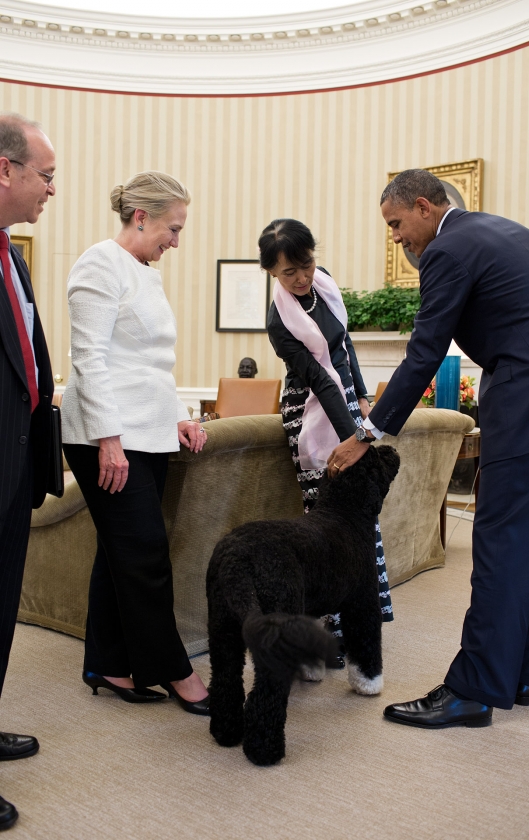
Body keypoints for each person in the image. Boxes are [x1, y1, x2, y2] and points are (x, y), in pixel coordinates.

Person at [328, 168, 529, 728]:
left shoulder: (448, 250)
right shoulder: (510, 231)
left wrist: (368, 434)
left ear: (427, 207)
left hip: (525, 393)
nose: (396, 237)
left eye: (396, 223)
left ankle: (475, 689)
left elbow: (424, 351)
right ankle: (521, 673)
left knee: (502, 542)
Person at [62, 171, 210, 717]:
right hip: (106, 434)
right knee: (145, 553)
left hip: (146, 432)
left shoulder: (144, 272)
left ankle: (110, 663)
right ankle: (176, 671)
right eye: (173, 227)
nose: (177, 240)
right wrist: (109, 440)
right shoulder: (98, 263)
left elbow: (152, 363)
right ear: (141, 217)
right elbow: (90, 359)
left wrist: (179, 416)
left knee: (120, 550)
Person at [261, 218, 393, 659]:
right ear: (272, 273)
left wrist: (362, 398)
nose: (301, 278)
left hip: (348, 406)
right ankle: (329, 631)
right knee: (328, 523)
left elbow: (345, 347)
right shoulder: (279, 321)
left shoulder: (327, 285)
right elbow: (317, 376)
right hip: (311, 411)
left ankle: (362, 617)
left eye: (307, 265)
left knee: (360, 519)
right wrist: (353, 437)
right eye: (288, 272)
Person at [0, 113, 56, 832]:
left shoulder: (12, 256)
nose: (52, 189)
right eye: (45, 175)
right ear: (5, 170)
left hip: (13, 468)